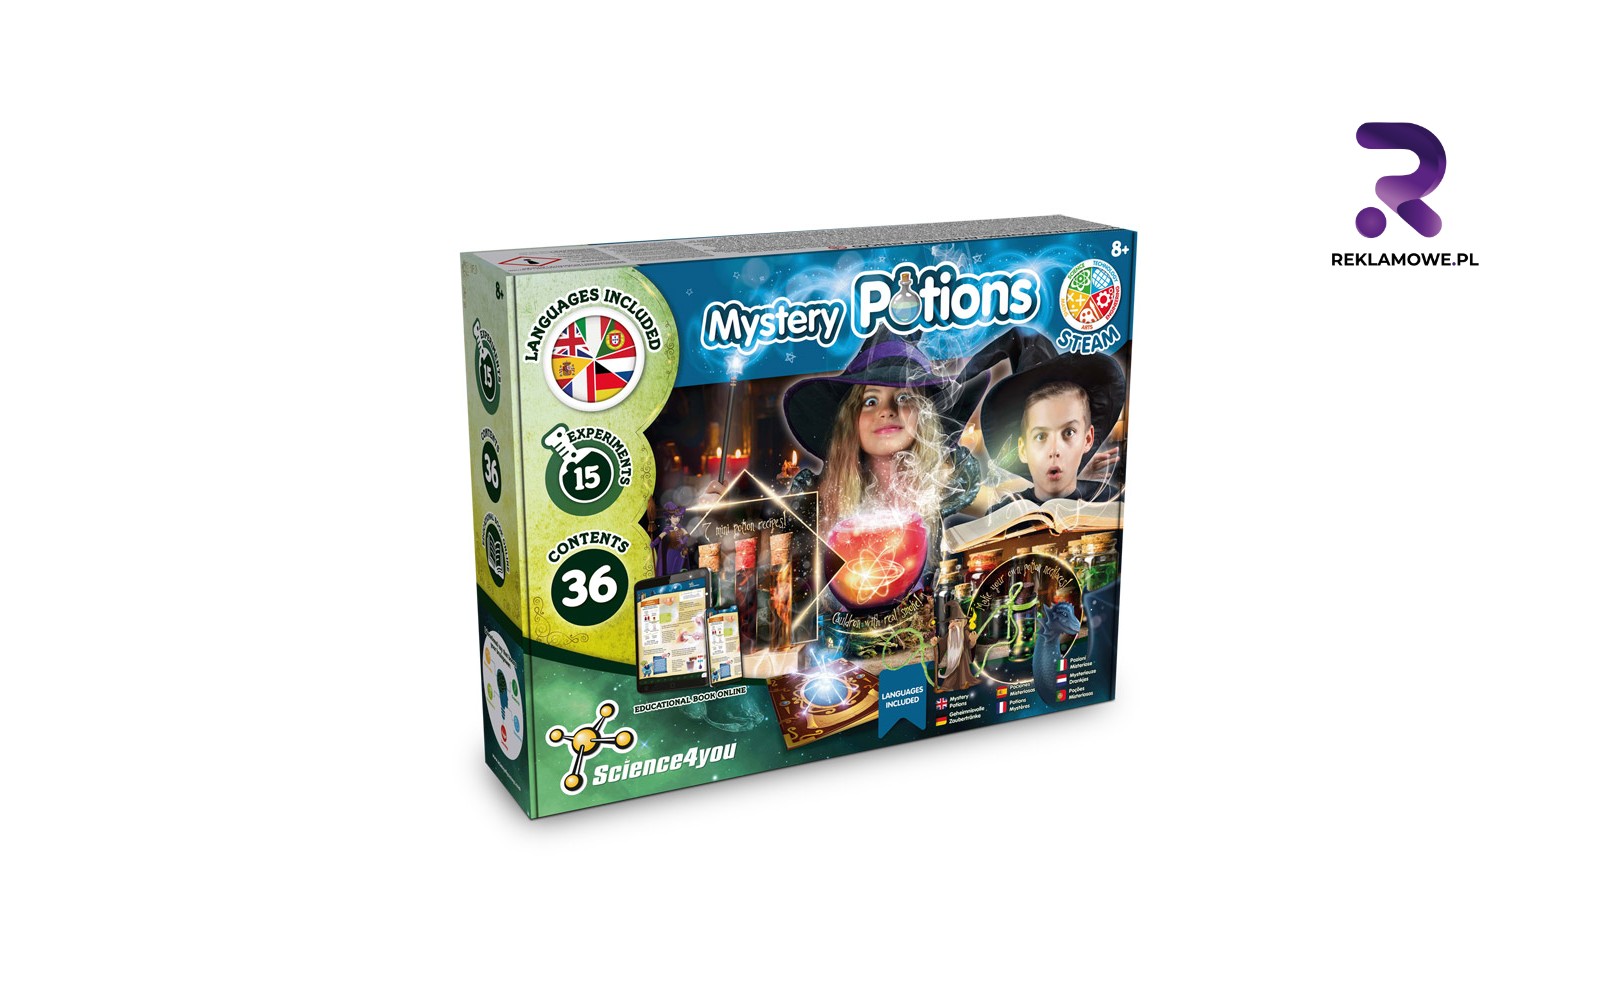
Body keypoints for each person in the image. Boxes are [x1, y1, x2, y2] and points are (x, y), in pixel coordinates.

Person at [780, 327, 991, 606]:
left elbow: (1008, 507)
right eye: (870, 401)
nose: (887, 411)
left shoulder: (945, 481)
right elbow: (771, 565)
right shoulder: (815, 499)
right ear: (850, 420)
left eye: (904, 397)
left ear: (923, 414)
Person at [964, 328, 1127, 511]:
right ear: (1023, 449)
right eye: (1041, 436)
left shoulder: (1115, 504)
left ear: (1087, 439)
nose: (1054, 450)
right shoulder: (1002, 515)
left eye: (1068, 432)